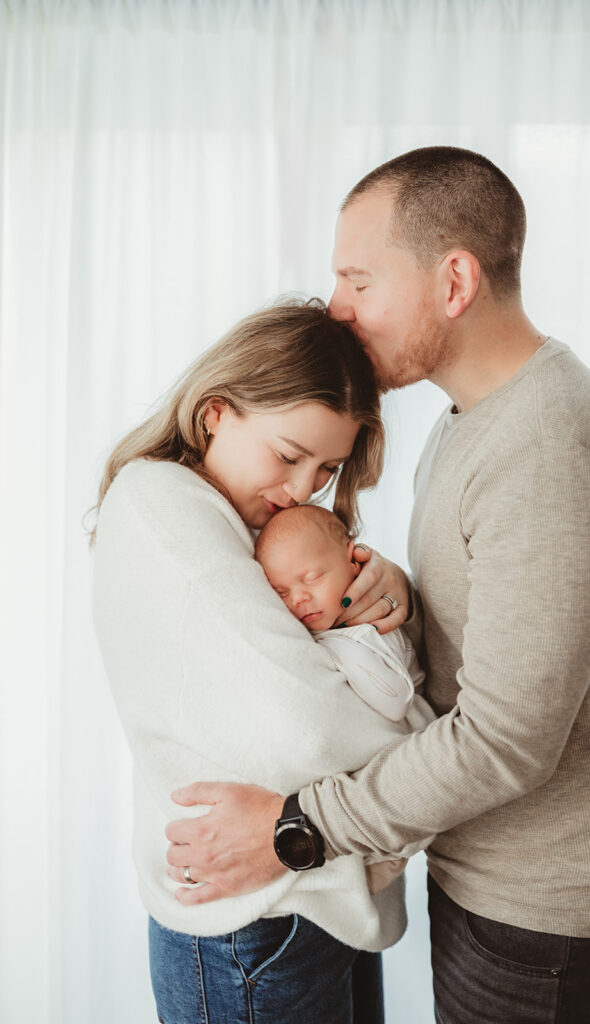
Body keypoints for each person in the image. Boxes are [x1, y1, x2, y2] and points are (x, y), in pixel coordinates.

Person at [165, 148, 590, 1023]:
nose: (336, 307)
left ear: (453, 281)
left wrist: (297, 827)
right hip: (494, 886)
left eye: (358, 279)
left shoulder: (555, 441)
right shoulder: (473, 425)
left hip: (553, 919)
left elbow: (507, 741)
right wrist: (396, 589)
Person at [92, 298, 427, 1024]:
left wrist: (377, 592)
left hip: (313, 890)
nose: (302, 489)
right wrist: (431, 755)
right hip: (255, 927)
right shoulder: (162, 504)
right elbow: (302, 724)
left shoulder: (251, 522)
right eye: (287, 455)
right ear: (216, 413)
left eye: (326, 468)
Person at [255, 504, 430, 724]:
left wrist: (332, 648)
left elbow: (396, 704)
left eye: (312, 578)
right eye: (281, 592)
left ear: (353, 561)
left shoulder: (367, 632)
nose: (297, 598)